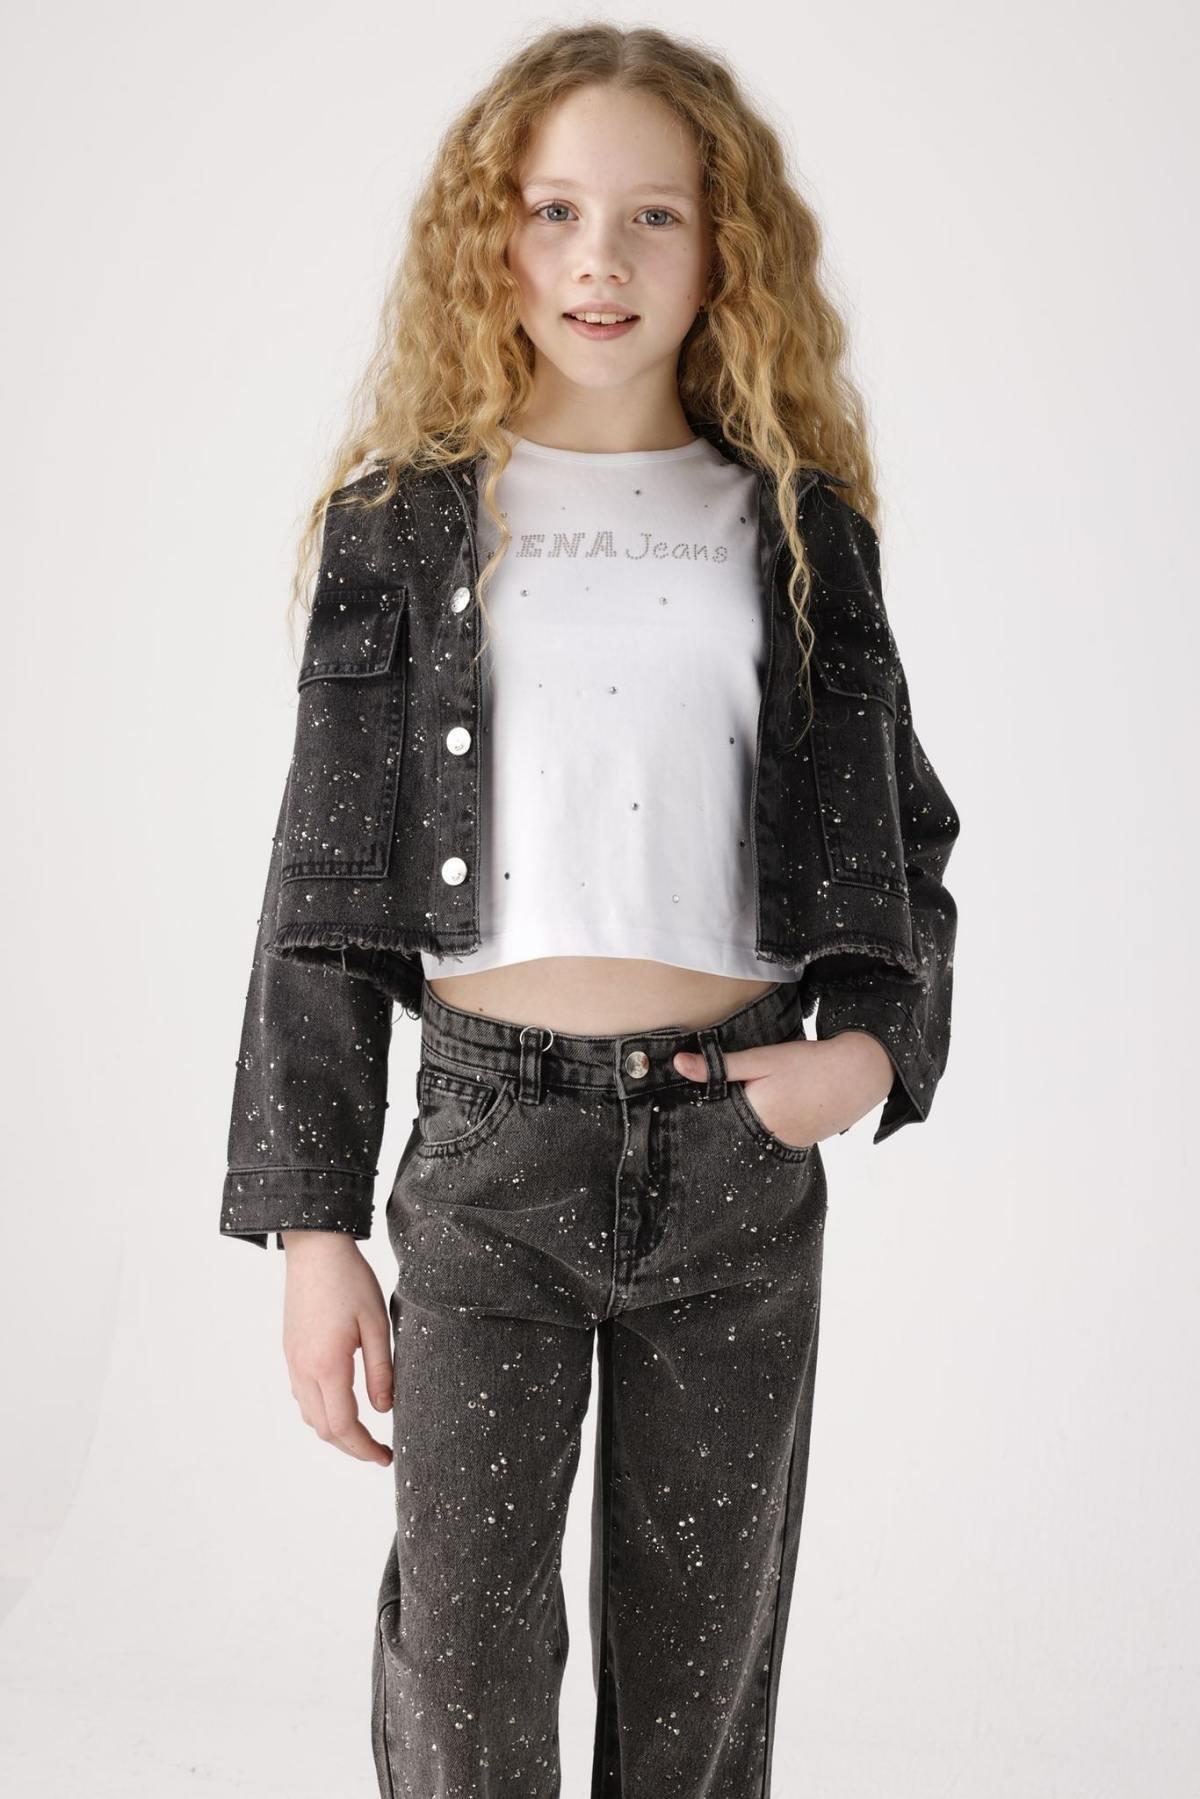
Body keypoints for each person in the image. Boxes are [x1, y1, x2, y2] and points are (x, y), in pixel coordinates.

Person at [220, 22, 961, 1797]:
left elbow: (902, 836)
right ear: (493, 235)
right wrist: (314, 1230)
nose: (598, 259)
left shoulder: (797, 531)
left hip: (735, 1150)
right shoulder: (407, 529)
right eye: (553, 210)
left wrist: (865, 1054)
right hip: (491, 1154)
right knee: (466, 1662)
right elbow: (319, 893)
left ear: (724, 251)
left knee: (701, 1670)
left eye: (652, 216)